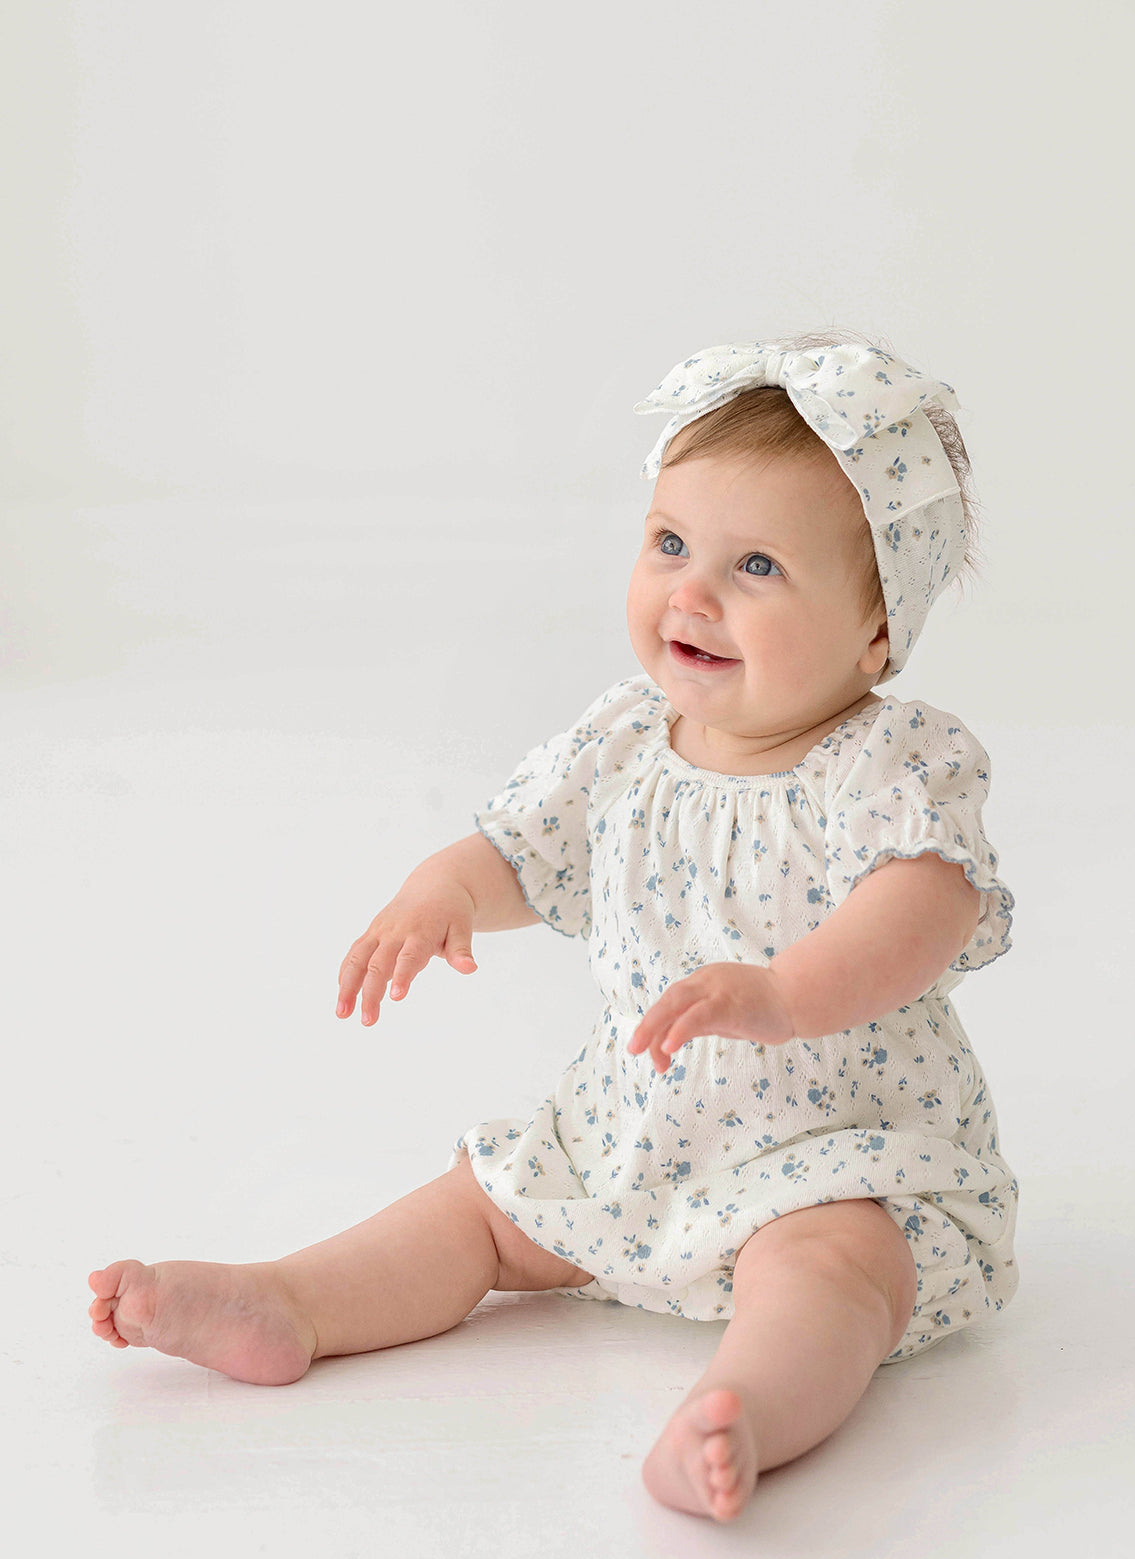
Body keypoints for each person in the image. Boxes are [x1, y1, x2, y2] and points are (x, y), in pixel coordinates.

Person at [87, 328, 1018, 1524]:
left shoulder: (890, 761)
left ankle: (740, 1409)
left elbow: (924, 904)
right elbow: (527, 847)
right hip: (632, 1129)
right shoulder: (626, 737)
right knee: (481, 1207)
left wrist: (787, 993)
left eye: (758, 568)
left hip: (832, 1144)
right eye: (672, 544)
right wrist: (446, 888)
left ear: (877, 631)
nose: (692, 592)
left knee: (835, 1276)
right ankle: (292, 1300)